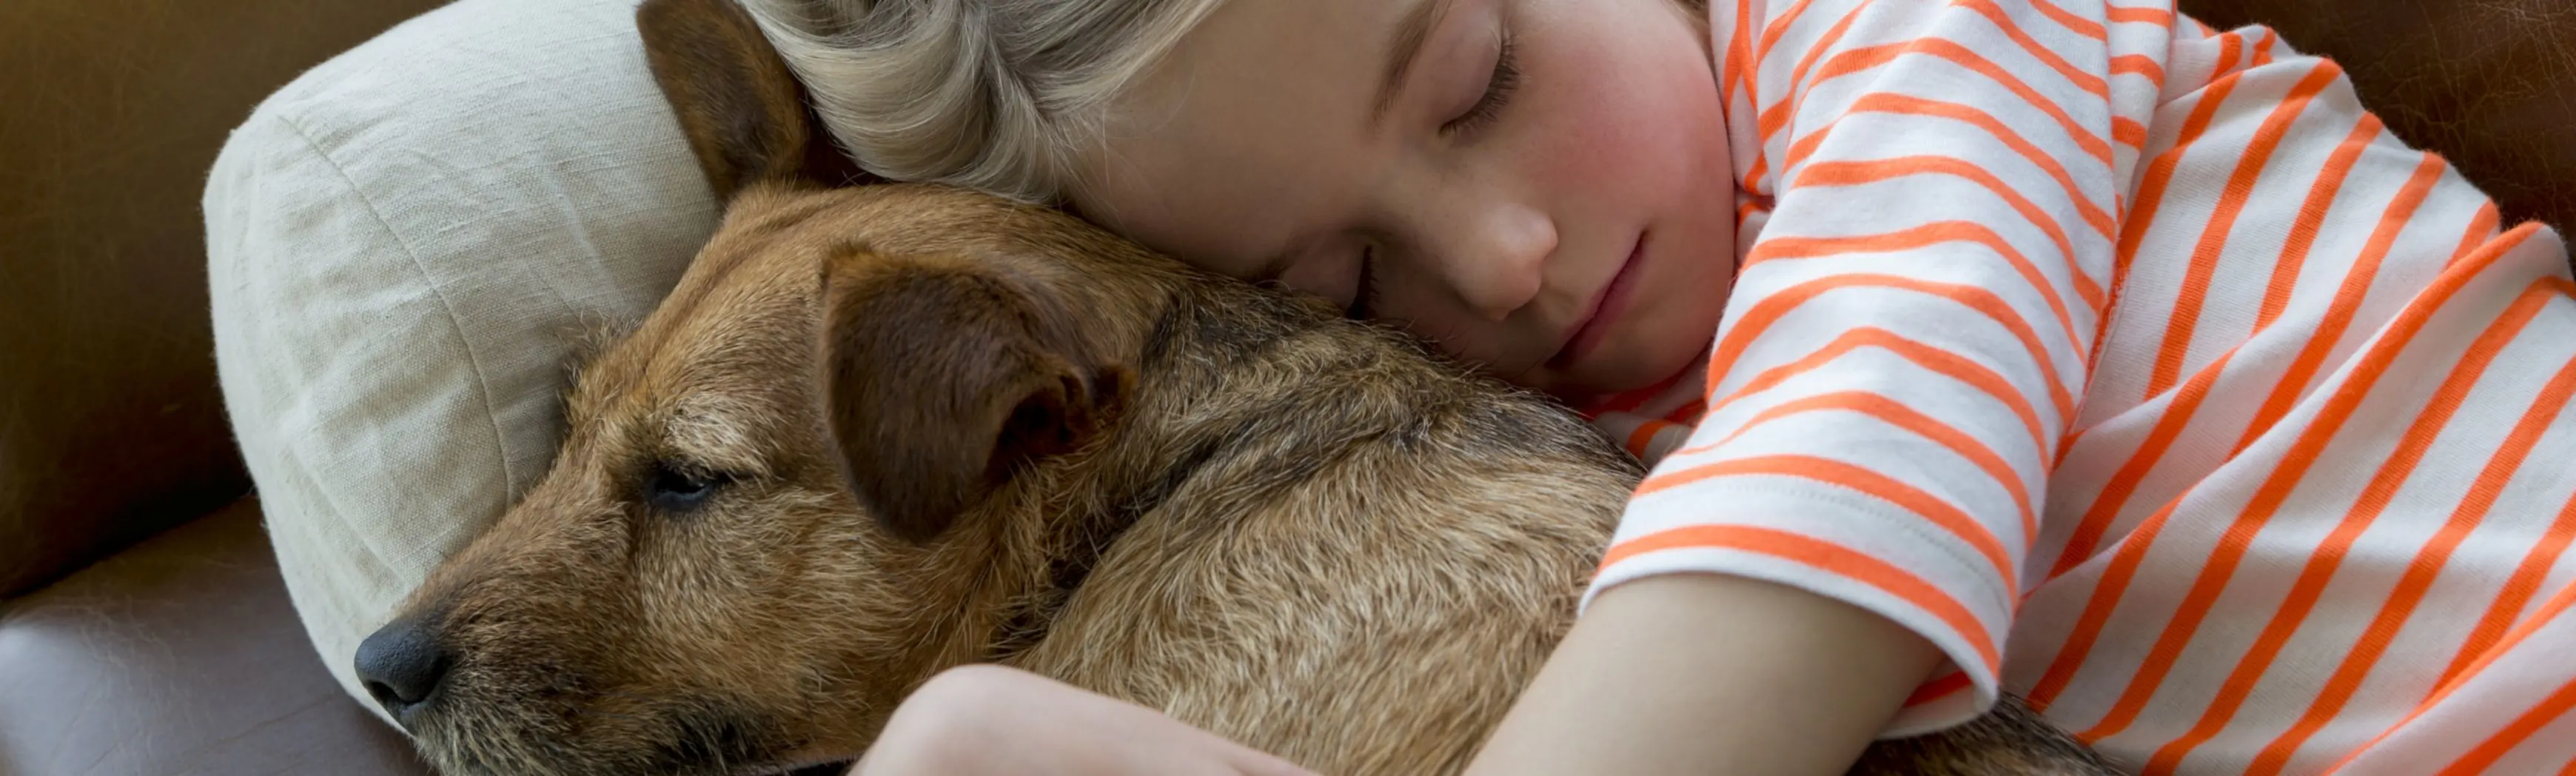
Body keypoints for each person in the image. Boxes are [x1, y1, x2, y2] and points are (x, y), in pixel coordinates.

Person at [739, 0, 2576, 772]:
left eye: (1477, 80)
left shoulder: (1909, 32)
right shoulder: (1539, 465)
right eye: (1345, 278)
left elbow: (1861, 450)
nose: (1503, 259)